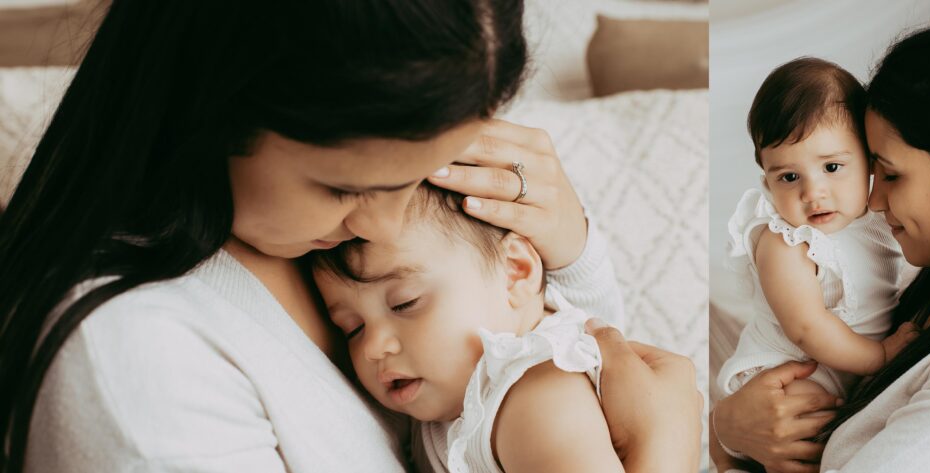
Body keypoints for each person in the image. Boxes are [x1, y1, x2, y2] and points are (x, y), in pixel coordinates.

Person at [0, 1, 703, 472]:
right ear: (212, 107)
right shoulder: (136, 364)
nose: (380, 226)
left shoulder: (312, 247)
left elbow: (563, 375)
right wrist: (663, 451)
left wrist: (573, 258)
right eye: (345, 188)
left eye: (421, 173)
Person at [712, 16, 930, 473]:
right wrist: (728, 428)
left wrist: (726, 446)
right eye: (789, 175)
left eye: (891, 175)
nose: (873, 202)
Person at [310, 184, 625, 472]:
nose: (373, 347)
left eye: (405, 303)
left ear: (515, 271)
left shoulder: (539, 400)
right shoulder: (461, 396)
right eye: (352, 328)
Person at [717, 57, 915, 407]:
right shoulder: (784, 242)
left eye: (832, 167)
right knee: (804, 409)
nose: (812, 193)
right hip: (794, 370)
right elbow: (806, 328)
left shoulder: (879, 218)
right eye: (789, 177)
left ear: (870, 161)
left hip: (849, 370)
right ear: (767, 182)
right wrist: (880, 357)